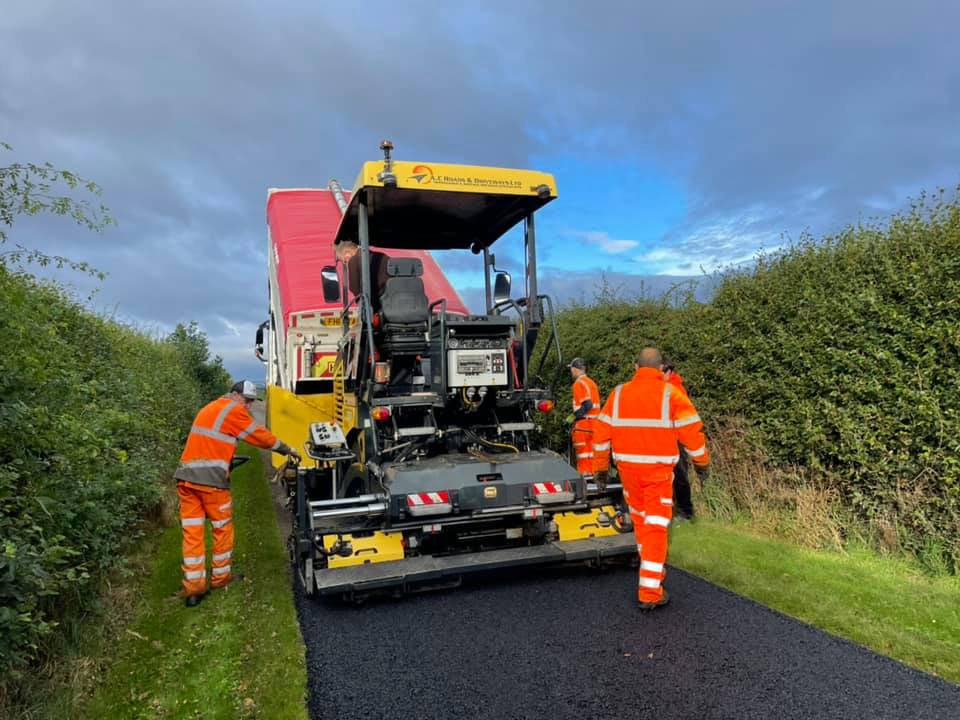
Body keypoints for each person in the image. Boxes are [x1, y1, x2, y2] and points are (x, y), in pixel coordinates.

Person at [593, 347, 710, 611]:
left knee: (644, 526)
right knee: (656, 527)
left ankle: (653, 577)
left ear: (636, 368)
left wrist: (600, 470)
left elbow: (600, 435)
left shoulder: (619, 393)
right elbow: (692, 432)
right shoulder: (671, 394)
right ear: (660, 369)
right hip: (657, 473)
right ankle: (649, 592)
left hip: (628, 472)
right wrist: (702, 463)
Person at [173, 380, 301, 608]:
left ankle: (194, 590)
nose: (249, 406)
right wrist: (288, 449)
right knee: (222, 529)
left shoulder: (209, 408)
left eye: (252, 402)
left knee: (192, 534)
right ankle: (221, 579)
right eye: (247, 400)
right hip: (211, 484)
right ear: (234, 395)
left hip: (186, 479)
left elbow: (209, 443)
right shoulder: (233, 410)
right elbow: (260, 436)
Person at [661, 360, 695, 521]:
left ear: (669, 372)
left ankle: (685, 512)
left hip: (676, 438)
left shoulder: (674, 389)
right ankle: (674, 510)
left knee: (680, 476)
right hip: (666, 438)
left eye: (662, 372)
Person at [564, 358, 601, 481]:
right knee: (592, 454)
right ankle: (594, 478)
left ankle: (584, 478)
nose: (571, 372)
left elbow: (587, 405)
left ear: (575, 369)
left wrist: (573, 417)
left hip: (584, 425)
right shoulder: (591, 383)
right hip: (595, 424)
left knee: (583, 454)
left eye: (571, 369)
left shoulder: (579, 384)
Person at [335, 240, 390, 312]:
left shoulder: (353, 260)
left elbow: (354, 287)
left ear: (347, 253)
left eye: (345, 260)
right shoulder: (383, 256)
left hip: (374, 304)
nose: (346, 262)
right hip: (390, 301)